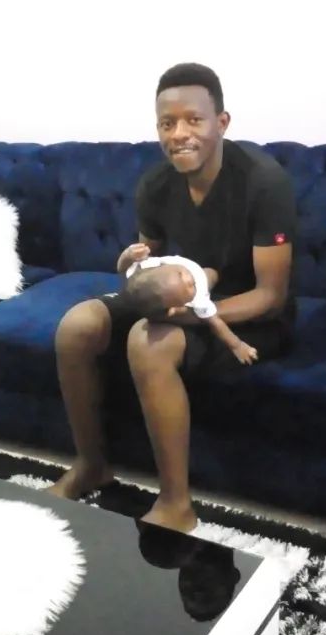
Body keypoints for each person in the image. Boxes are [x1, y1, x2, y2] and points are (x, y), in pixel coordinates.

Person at [47, 63, 296, 532]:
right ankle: (91, 465)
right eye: (167, 123)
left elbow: (272, 295)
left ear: (221, 122)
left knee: (149, 342)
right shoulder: (156, 184)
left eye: (193, 120)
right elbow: (148, 271)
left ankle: (176, 504)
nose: (179, 134)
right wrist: (130, 266)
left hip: (249, 313)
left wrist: (194, 314)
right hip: (180, 292)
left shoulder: (263, 183)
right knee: (77, 326)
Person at [120, 253, 259, 365]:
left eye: (180, 274)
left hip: (188, 264)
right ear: (177, 308)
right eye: (187, 289)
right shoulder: (199, 298)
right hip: (204, 277)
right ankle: (210, 279)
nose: (189, 279)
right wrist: (237, 346)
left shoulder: (144, 267)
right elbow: (216, 324)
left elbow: (121, 267)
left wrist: (128, 255)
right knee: (212, 274)